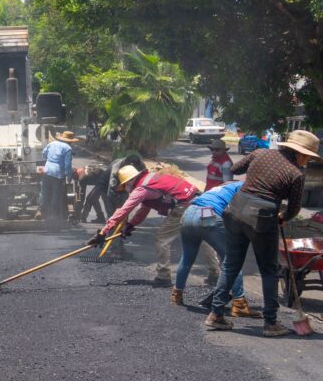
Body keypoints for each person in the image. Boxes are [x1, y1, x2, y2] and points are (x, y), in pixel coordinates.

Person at [206, 130, 321, 337]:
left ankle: (215, 314)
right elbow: (294, 209)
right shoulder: (295, 174)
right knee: (268, 270)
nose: (307, 161)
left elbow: (234, 168)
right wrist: (282, 216)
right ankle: (270, 323)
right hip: (261, 218)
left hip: (234, 210)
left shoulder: (260, 153)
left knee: (231, 264)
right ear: (300, 153)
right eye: (308, 157)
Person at [87, 165, 220, 285]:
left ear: (129, 181)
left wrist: (103, 232)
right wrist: (130, 225)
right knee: (204, 238)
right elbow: (144, 210)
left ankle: (163, 276)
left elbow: (123, 210)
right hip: (201, 200)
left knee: (162, 239)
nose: (126, 189)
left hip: (184, 205)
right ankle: (215, 273)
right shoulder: (151, 180)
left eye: (125, 185)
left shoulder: (141, 189)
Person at [171, 181, 261, 317]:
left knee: (187, 257)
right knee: (232, 259)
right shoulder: (245, 187)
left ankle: (176, 295)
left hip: (189, 213)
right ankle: (239, 304)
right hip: (207, 212)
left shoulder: (221, 188)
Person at [36, 130, 78, 220]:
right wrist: (69, 177)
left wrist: (49, 161)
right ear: (70, 141)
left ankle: (41, 211)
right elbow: (67, 165)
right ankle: (53, 215)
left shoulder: (52, 144)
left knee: (44, 193)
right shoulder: (68, 149)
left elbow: (43, 154)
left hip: (47, 171)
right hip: (58, 174)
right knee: (56, 195)